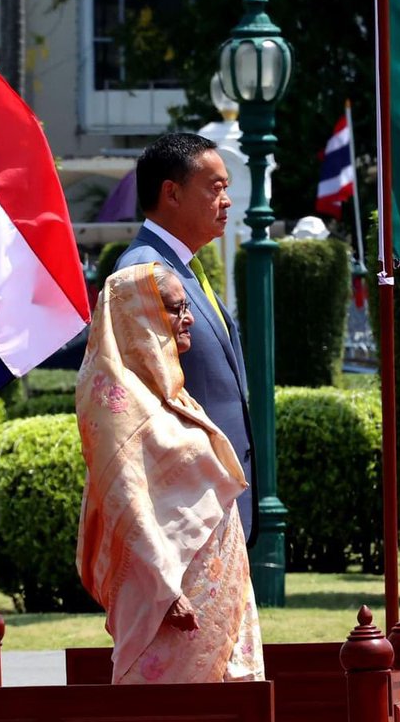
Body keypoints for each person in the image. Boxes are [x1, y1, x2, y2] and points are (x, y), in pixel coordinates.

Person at [75, 263, 264, 684]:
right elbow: (127, 503)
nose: (189, 318)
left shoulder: (173, 395)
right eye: (177, 308)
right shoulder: (118, 405)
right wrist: (166, 590)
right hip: (173, 603)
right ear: (142, 313)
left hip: (216, 592)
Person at [114, 132, 257, 545]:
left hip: (212, 503)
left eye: (227, 188)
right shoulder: (144, 271)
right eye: (215, 188)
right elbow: (140, 400)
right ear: (171, 194)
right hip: (184, 511)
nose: (226, 200)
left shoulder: (182, 266)